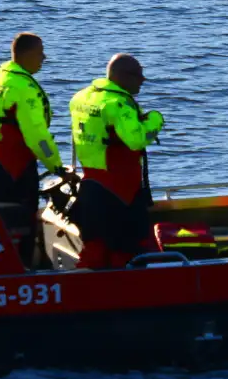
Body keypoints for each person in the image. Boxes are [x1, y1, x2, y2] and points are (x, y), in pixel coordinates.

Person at [69, 53, 165, 269]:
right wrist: (156, 120)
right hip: (121, 191)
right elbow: (136, 140)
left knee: (95, 249)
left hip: (91, 185)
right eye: (137, 76)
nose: (142, 80)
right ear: (121, 76)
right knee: (128, 251)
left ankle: (85, 295)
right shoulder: (118, 104)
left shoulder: (82, 98)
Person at [0, 32, 64, 206]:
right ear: (27, 54)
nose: (44, 57)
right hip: (15, 165)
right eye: (40, 52)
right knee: (21, 224)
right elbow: (37, 136)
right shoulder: (24, 88)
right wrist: (57, 167)